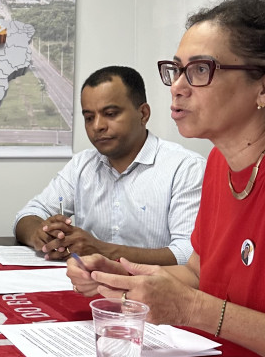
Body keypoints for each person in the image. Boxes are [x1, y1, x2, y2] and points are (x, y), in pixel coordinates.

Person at [68, 0, 265, 357]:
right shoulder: (218, 165)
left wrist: (194, 310)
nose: (176, 88)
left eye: (200, 70)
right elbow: (198, 274)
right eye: (175, 70)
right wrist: (120, 278)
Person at [14, 66, 206, 265]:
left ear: (143, 114)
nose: (97, 126)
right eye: (89, 118)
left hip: (152, 293)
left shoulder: (185, 168)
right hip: (85, 286)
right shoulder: (82, 165)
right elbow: (28, 215)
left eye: (111, 114)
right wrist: (42, 235)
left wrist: (103, 250)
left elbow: (188, 254)